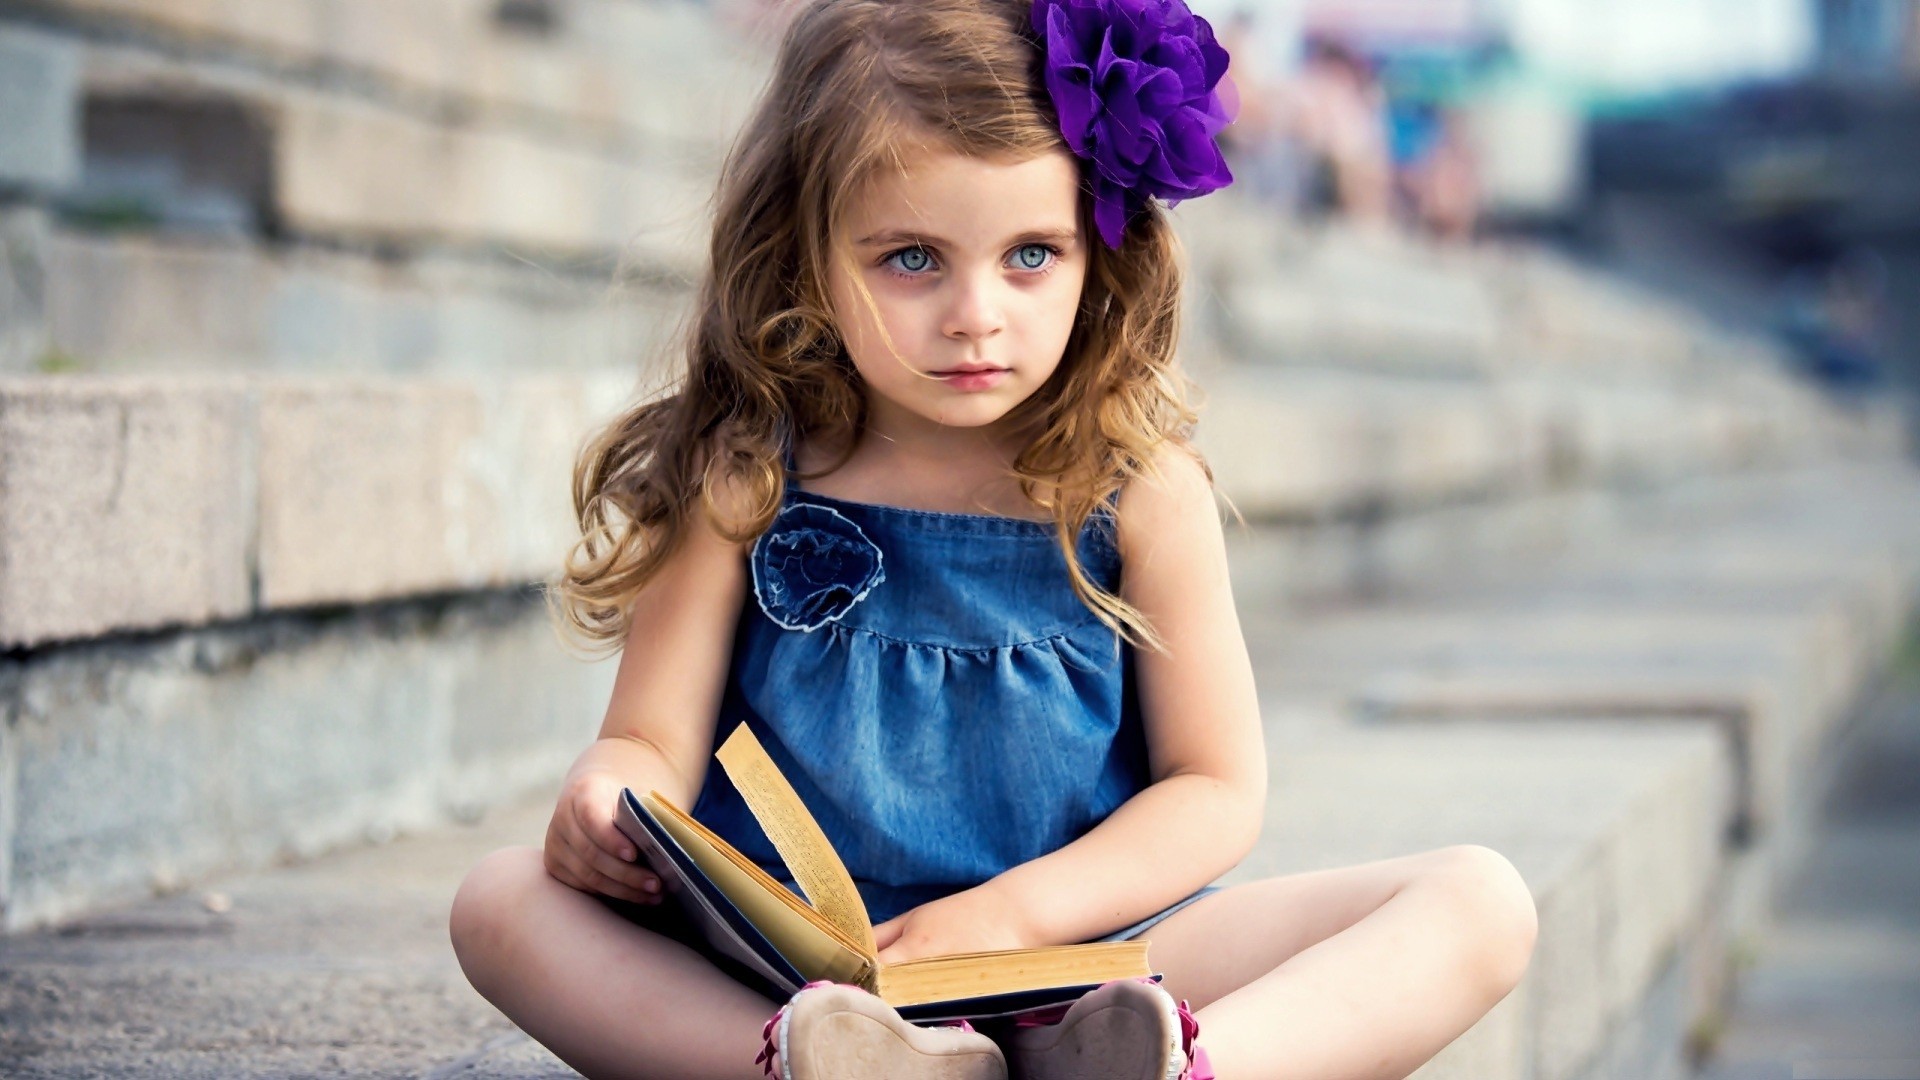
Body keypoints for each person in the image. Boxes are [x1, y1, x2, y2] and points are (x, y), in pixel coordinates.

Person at [447, 2, 1538, 1078]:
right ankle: (817, 1068)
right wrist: (604, 800)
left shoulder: (1141, 492)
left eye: (1030, 255)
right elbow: (648, 742)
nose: (977, 313)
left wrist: (1013, 918)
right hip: (811, 974)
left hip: (1086, 959)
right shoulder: (745, 476)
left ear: (1096, 252)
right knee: (498, 904)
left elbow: (1214, 791)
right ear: (809, 256)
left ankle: (1178, 1071)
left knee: (1478, 901)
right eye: (912, 259)